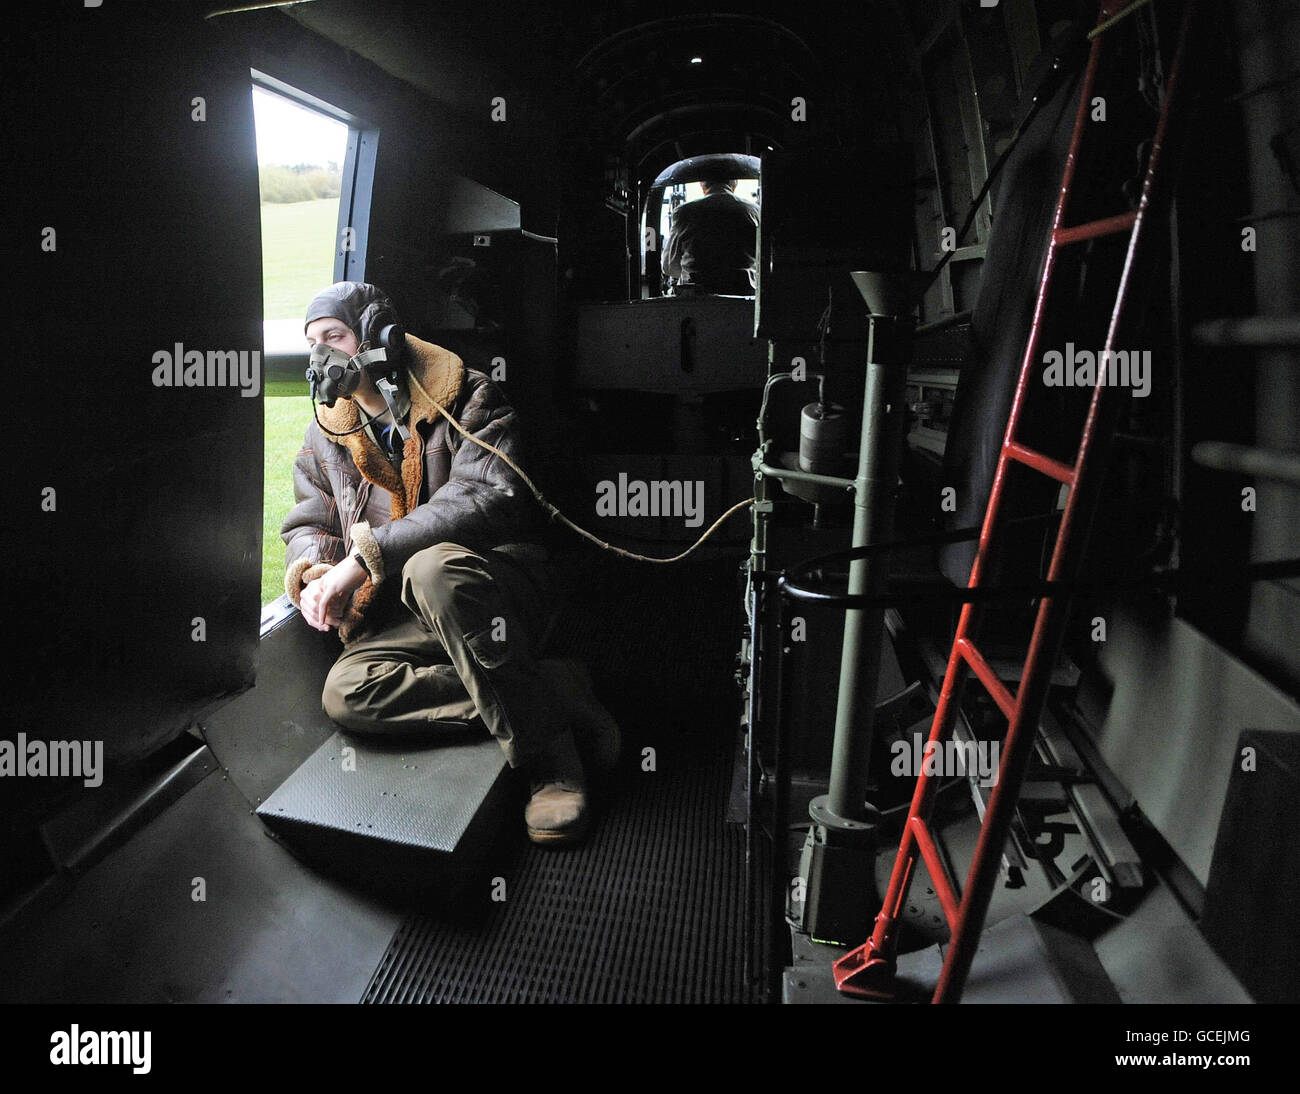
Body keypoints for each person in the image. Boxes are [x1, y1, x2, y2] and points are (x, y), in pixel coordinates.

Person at [281, 281, 619, 846]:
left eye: (334, 338)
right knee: (348, 692)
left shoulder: (470, 398)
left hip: (491, 588)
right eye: (313, 343)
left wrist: (364, 560)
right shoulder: (326, 434)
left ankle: (551, 764)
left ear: (377, 338)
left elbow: (482, 499)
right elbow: (308, 523)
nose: (322, 358)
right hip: (407, 610)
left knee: (431, 567)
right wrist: (318, 573)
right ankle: (549, 693)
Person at [661, 176, 760, 295]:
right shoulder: (755, 211)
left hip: (698, 298)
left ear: (702, 186)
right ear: (734, 185)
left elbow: (670, 267)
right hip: (745, 295)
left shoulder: (684, 212)